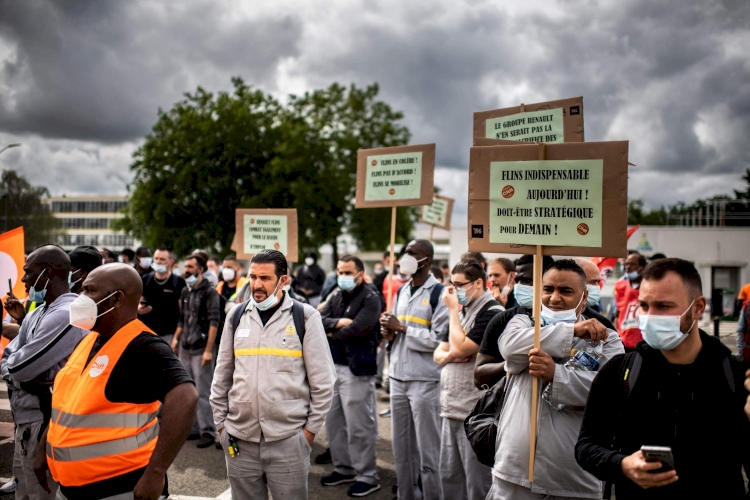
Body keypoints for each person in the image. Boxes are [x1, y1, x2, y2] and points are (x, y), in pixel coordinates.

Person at [576, 258, 750, 499]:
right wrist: (622, 465)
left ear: (698, 307)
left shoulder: (737, 375)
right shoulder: (620, 371)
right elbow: (587, 447)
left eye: (663, 306)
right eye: (644, 306)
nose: (649, 316)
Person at [41, 263, 198, 500]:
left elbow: (186, 398)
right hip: (71, 487)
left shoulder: (144, 346)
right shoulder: (90, 339)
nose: (81, 298)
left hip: (120, 488)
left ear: (117, 299)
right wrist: (43, 448)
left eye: (90, 290)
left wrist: (155, 472)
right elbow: (68, 405)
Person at [487, 259, 624, 499]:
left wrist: (557, 375)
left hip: (572, 475)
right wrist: (570, 331)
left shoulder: (607, 339)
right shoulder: (523, 322)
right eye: (548, 289)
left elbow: (610, 393)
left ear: (584, 299)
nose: (554, 298)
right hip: (515, 470)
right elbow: (510, 349)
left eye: (566, 291)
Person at [211, 249, 336, 499]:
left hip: (288, 441)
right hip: (239, 440)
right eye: (253, 277)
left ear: (284, 280)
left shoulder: (305, 317)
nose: (256, 285)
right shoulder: (236, 316)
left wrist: (307, 434)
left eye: (265, 278)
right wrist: (222, 427)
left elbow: (324, 383)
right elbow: (221, 377)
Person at [1, 245, 89, 500]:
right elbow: (10, 362)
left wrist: (16, 371)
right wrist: (20, 377)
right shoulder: (37, 311)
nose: (23, 279)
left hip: (45, 424)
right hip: (25, 421)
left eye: (29, 272)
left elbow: (19, 365)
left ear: (47, 274)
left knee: (42, 494)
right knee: (23, 493)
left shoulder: (67, 313)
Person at [379, 239, 448, 500]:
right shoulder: (400, 291)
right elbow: (395, 332)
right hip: (398, 377)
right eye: (404, 252)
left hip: (424, 381)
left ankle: (433, 496)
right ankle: (406, 495)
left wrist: (403, 329)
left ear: (426, 260)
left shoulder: (439, 293)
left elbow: (440, 340)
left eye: (411, 253)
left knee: (429, 452)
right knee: (402, 451)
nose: (404, 257)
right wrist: (388, 331)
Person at [433, 260, 502, 500]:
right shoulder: (463, 312)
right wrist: (452, 354)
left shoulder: (492, 313)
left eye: (459, 285)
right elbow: (438, 353)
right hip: (451, 406)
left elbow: (461, 346)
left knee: (476, 483)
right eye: (451, 285)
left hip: (474, 412)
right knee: (450, 477)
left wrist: (452, 311)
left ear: (478, 283)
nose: (453, 292)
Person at [319, 255, 382, 497]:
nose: (342, 277)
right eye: (339, 272)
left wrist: (332, 333)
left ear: (360, 274)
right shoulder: (336, 294)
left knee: (359, 426)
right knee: (334, 423)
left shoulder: (371, 297)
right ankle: (343, 467)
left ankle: (367, 475)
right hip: (334, 367)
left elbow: (359, 328)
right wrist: (337, 323)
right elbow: (319, 319)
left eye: (347, 272)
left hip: (357, 369)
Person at [474, 255, 554, 389]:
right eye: (518, 280)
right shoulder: (503, 319)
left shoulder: (576, 322)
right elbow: (479, 377)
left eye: (527, 280)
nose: (520, 286)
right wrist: (511, 364)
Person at [171, 254, 220, 449]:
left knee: (203, 391)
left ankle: (208, 430)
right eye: (186, 266)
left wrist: (209, 350)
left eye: (191, 267)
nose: (187, 270)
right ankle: (194, 428)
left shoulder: (210, 292)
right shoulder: (185, 291)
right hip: (185, 347)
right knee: (188, 391)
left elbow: (214, 322)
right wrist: (176, 338)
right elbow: (182, 319)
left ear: (200, 269)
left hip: (201, 349)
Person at [138, 247, 186, 346]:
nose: (158, 262)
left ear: (171, 262)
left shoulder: (178, 282)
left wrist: (177, 337)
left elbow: (183, 312)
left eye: (162, 259)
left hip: (169, 334)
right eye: (156, 258)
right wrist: (139, 308)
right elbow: (138, 301)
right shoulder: (145, 279)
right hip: (147, 333)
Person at [614, 252, 647, 352]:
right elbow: (617, 314)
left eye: (632, 264)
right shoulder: (620, 286)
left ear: (642, 267)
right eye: (626, 264)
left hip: (643, 342)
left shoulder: (650, 287)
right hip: (624, 341)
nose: (628, 267)